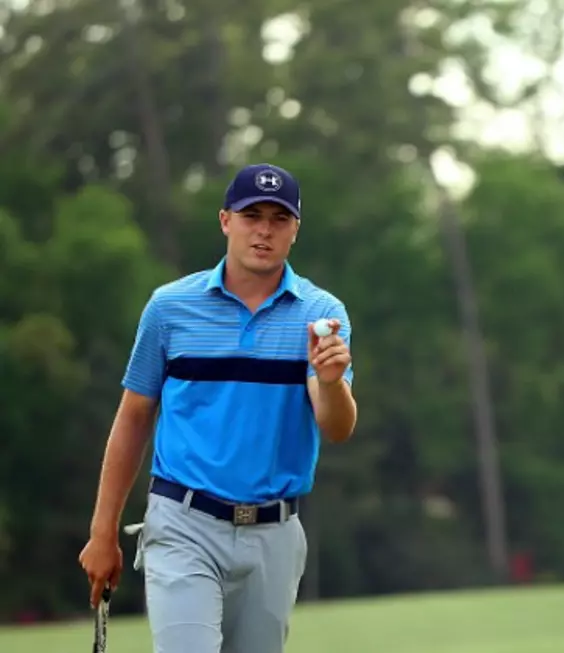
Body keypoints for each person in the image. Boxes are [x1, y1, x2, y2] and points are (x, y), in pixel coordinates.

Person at [78, 163, 357, 653]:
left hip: (274, 533)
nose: (264, 230)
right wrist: (103, 532)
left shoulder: (321, 315)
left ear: (295, 230)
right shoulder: (169, 308)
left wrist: (332, 383)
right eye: (252, 215)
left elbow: (336, 428)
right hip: (183, 523)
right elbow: (134, 416)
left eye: (279, 218)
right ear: (226, 220)